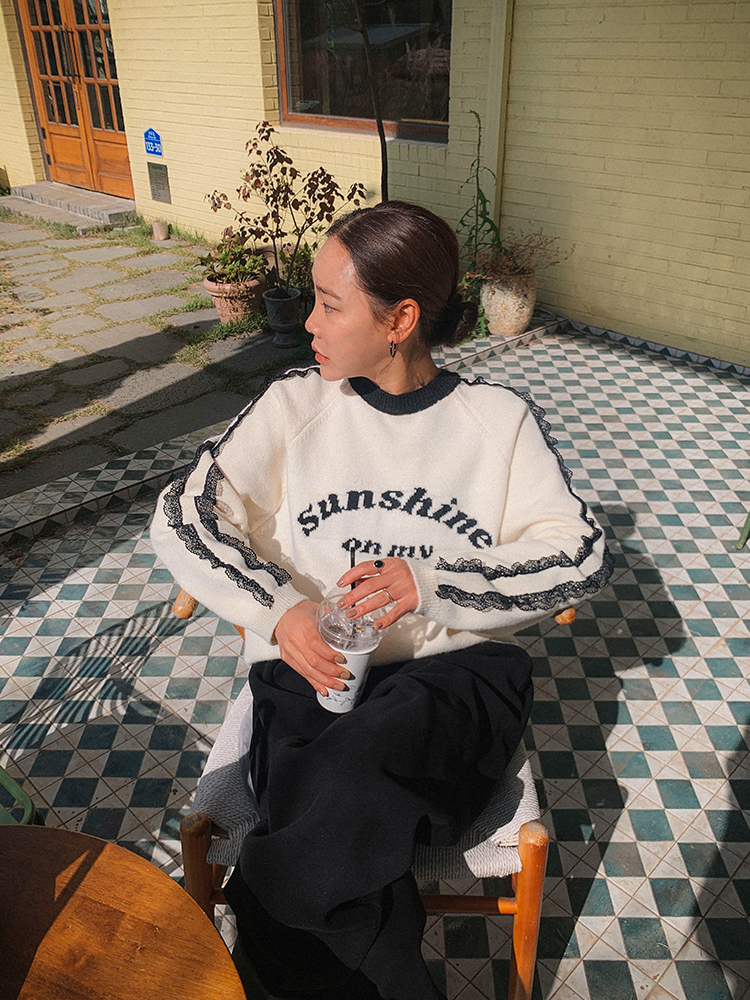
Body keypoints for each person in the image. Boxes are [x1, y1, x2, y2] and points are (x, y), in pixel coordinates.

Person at [150, 201, 613, 1000]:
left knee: (338, 791)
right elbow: (185, 514)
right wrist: (280, 610)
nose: (308, 322)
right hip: (314, 669)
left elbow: (581, 553)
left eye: (331, 304)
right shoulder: (295, 406)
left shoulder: (495, 423)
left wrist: (430, 584)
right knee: (342, 818)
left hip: (454, 680)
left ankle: (260, 930)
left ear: (400, 319)